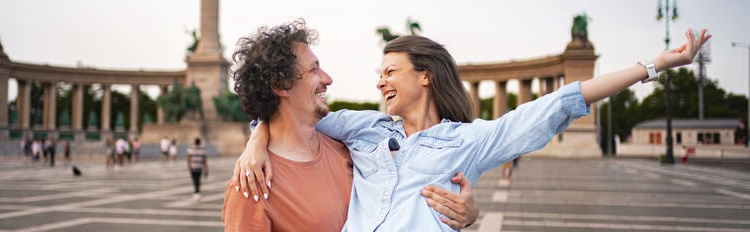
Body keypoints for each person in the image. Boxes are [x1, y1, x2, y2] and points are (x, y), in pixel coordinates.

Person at [237, 26, 712, 231]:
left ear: (424, 74)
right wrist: (256, 139)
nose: (378, 80)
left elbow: (561, 102)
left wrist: (652, 66)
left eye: (390, 70)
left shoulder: (471, 141)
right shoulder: (362, 127)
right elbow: (291, 113)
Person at [223, 20, 477, 231]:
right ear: (280, 86)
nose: (328, 79)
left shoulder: (351, 149)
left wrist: (465, 212)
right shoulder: (250, 185)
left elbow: (410, 194)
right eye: (314, 70)